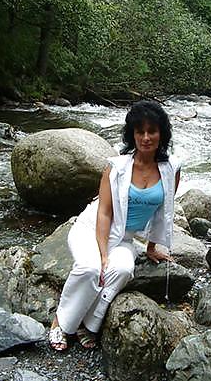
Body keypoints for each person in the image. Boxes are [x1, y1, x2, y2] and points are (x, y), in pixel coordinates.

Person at [48, 100, 181, 351]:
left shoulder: (171, 168)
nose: (145, 137)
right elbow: (104, 214)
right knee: (90, 268)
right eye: (139, 131)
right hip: (91, 230)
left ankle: (88, 324)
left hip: (125, 238)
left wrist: (152, 246)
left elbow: (165, 211)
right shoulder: (116, 167)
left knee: (122, 269)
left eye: (151, 130)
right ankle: (61, 323)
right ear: (132, 134)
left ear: (161, 133)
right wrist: (103, 253)